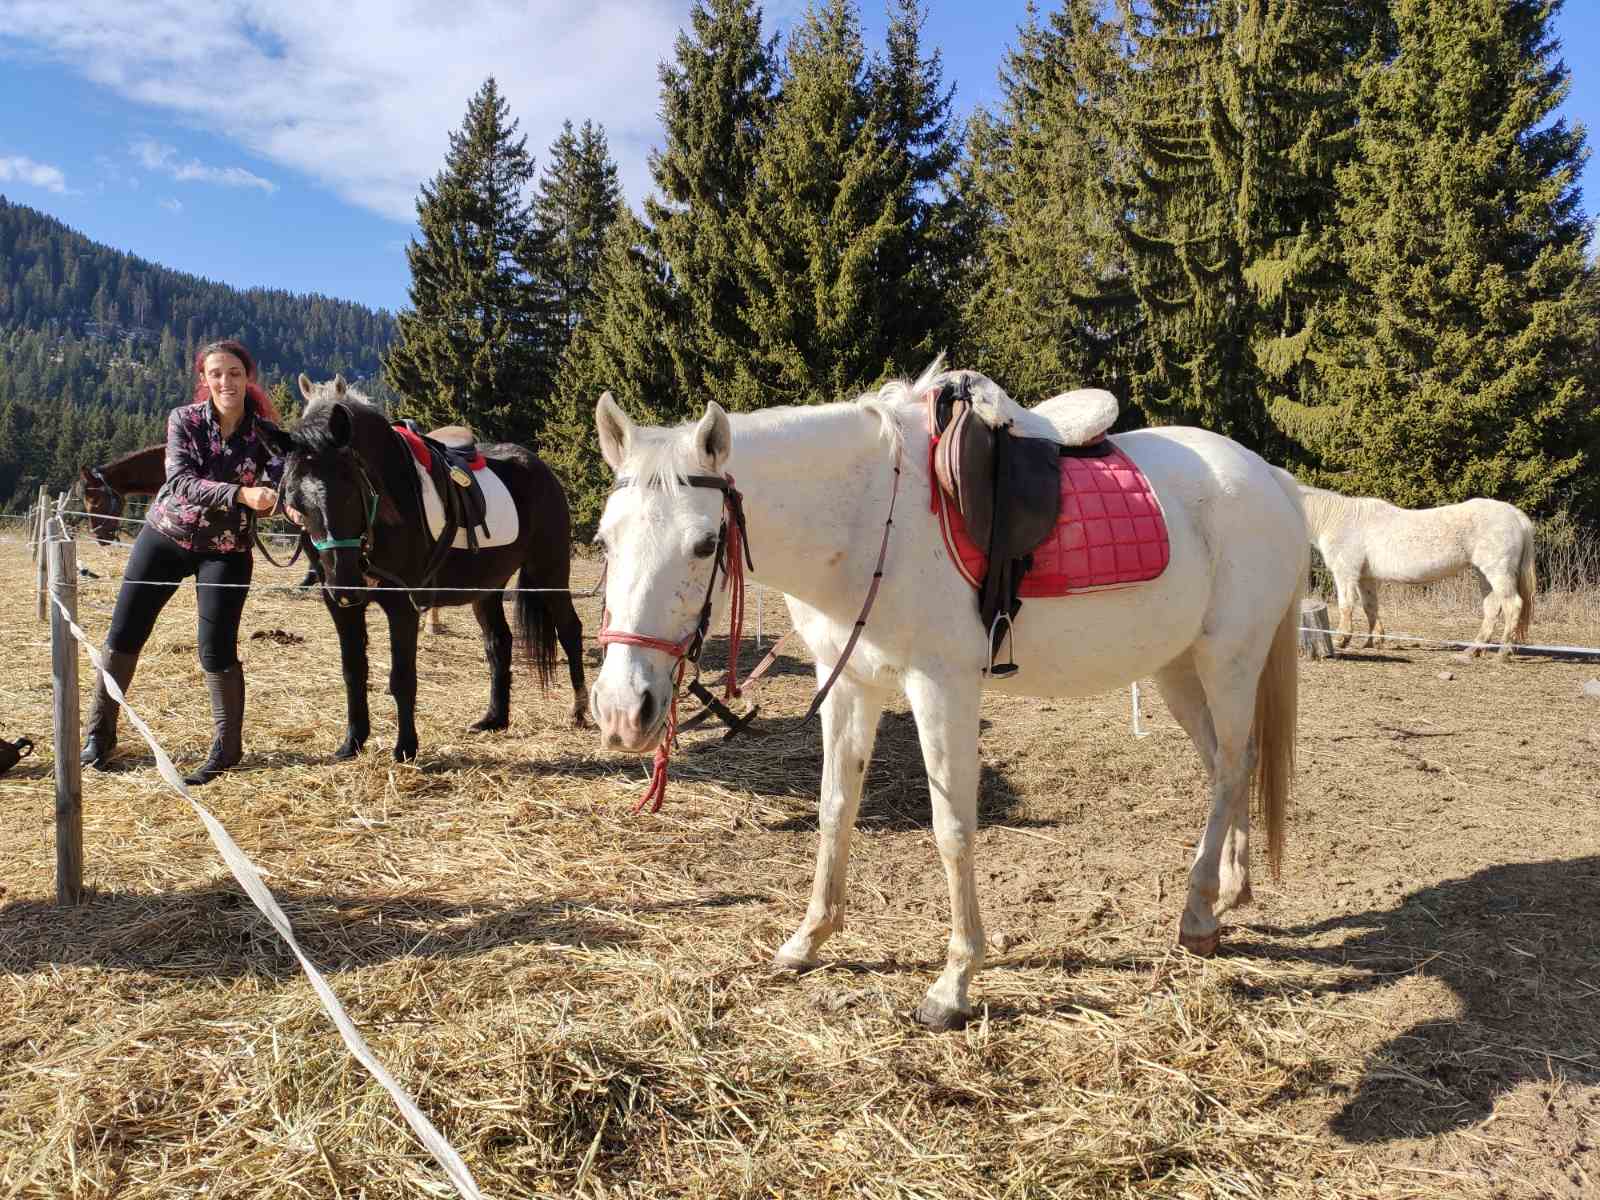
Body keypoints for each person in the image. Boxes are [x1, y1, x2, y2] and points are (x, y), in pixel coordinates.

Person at [81, 339, 285, 785]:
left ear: (247, 377)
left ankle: (227, 750)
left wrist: (278, 500)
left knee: (216, 647)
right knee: (124, 633)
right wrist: (242, 494)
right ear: (204, 380)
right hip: (165, 538)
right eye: (216, 373)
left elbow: (279, 484)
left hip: (228, 551)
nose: (225, 381)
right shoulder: (185, 420)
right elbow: (180, 482)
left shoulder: (267, 435)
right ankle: (100, 735)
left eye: (234, 372)